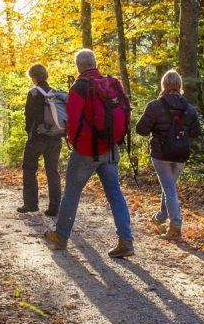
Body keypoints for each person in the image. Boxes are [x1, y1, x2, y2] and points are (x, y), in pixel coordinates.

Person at [43, 49, 135, 258]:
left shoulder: (79, 87)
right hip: (110, 148)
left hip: (86, 151)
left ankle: (61, 236)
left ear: (79, 67)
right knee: (115, 195)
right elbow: (126, 110)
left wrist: (73, 141)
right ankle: (126, 241)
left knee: (72, 194)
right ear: (95, 63)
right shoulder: (112, 83)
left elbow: (73, 119)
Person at [135, 70, 201, 241]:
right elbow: (196, 133)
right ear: (180, 86)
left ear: (163, 85)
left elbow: (141, 130)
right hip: (181, 155)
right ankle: (161, 216)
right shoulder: (189, 109)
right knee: (169, 186)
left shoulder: (155, 106)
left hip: (161, 154)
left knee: (169, 188)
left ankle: (175, 224)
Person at [18, 63, 63, 216]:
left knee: (29, 169)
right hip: (55, 137)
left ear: (33, 77)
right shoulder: (55, 93)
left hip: (37, 138)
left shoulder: (34, 93)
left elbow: (28, 117)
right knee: (53, 171)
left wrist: (29, 133)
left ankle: (31, 204)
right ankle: (55, 207)